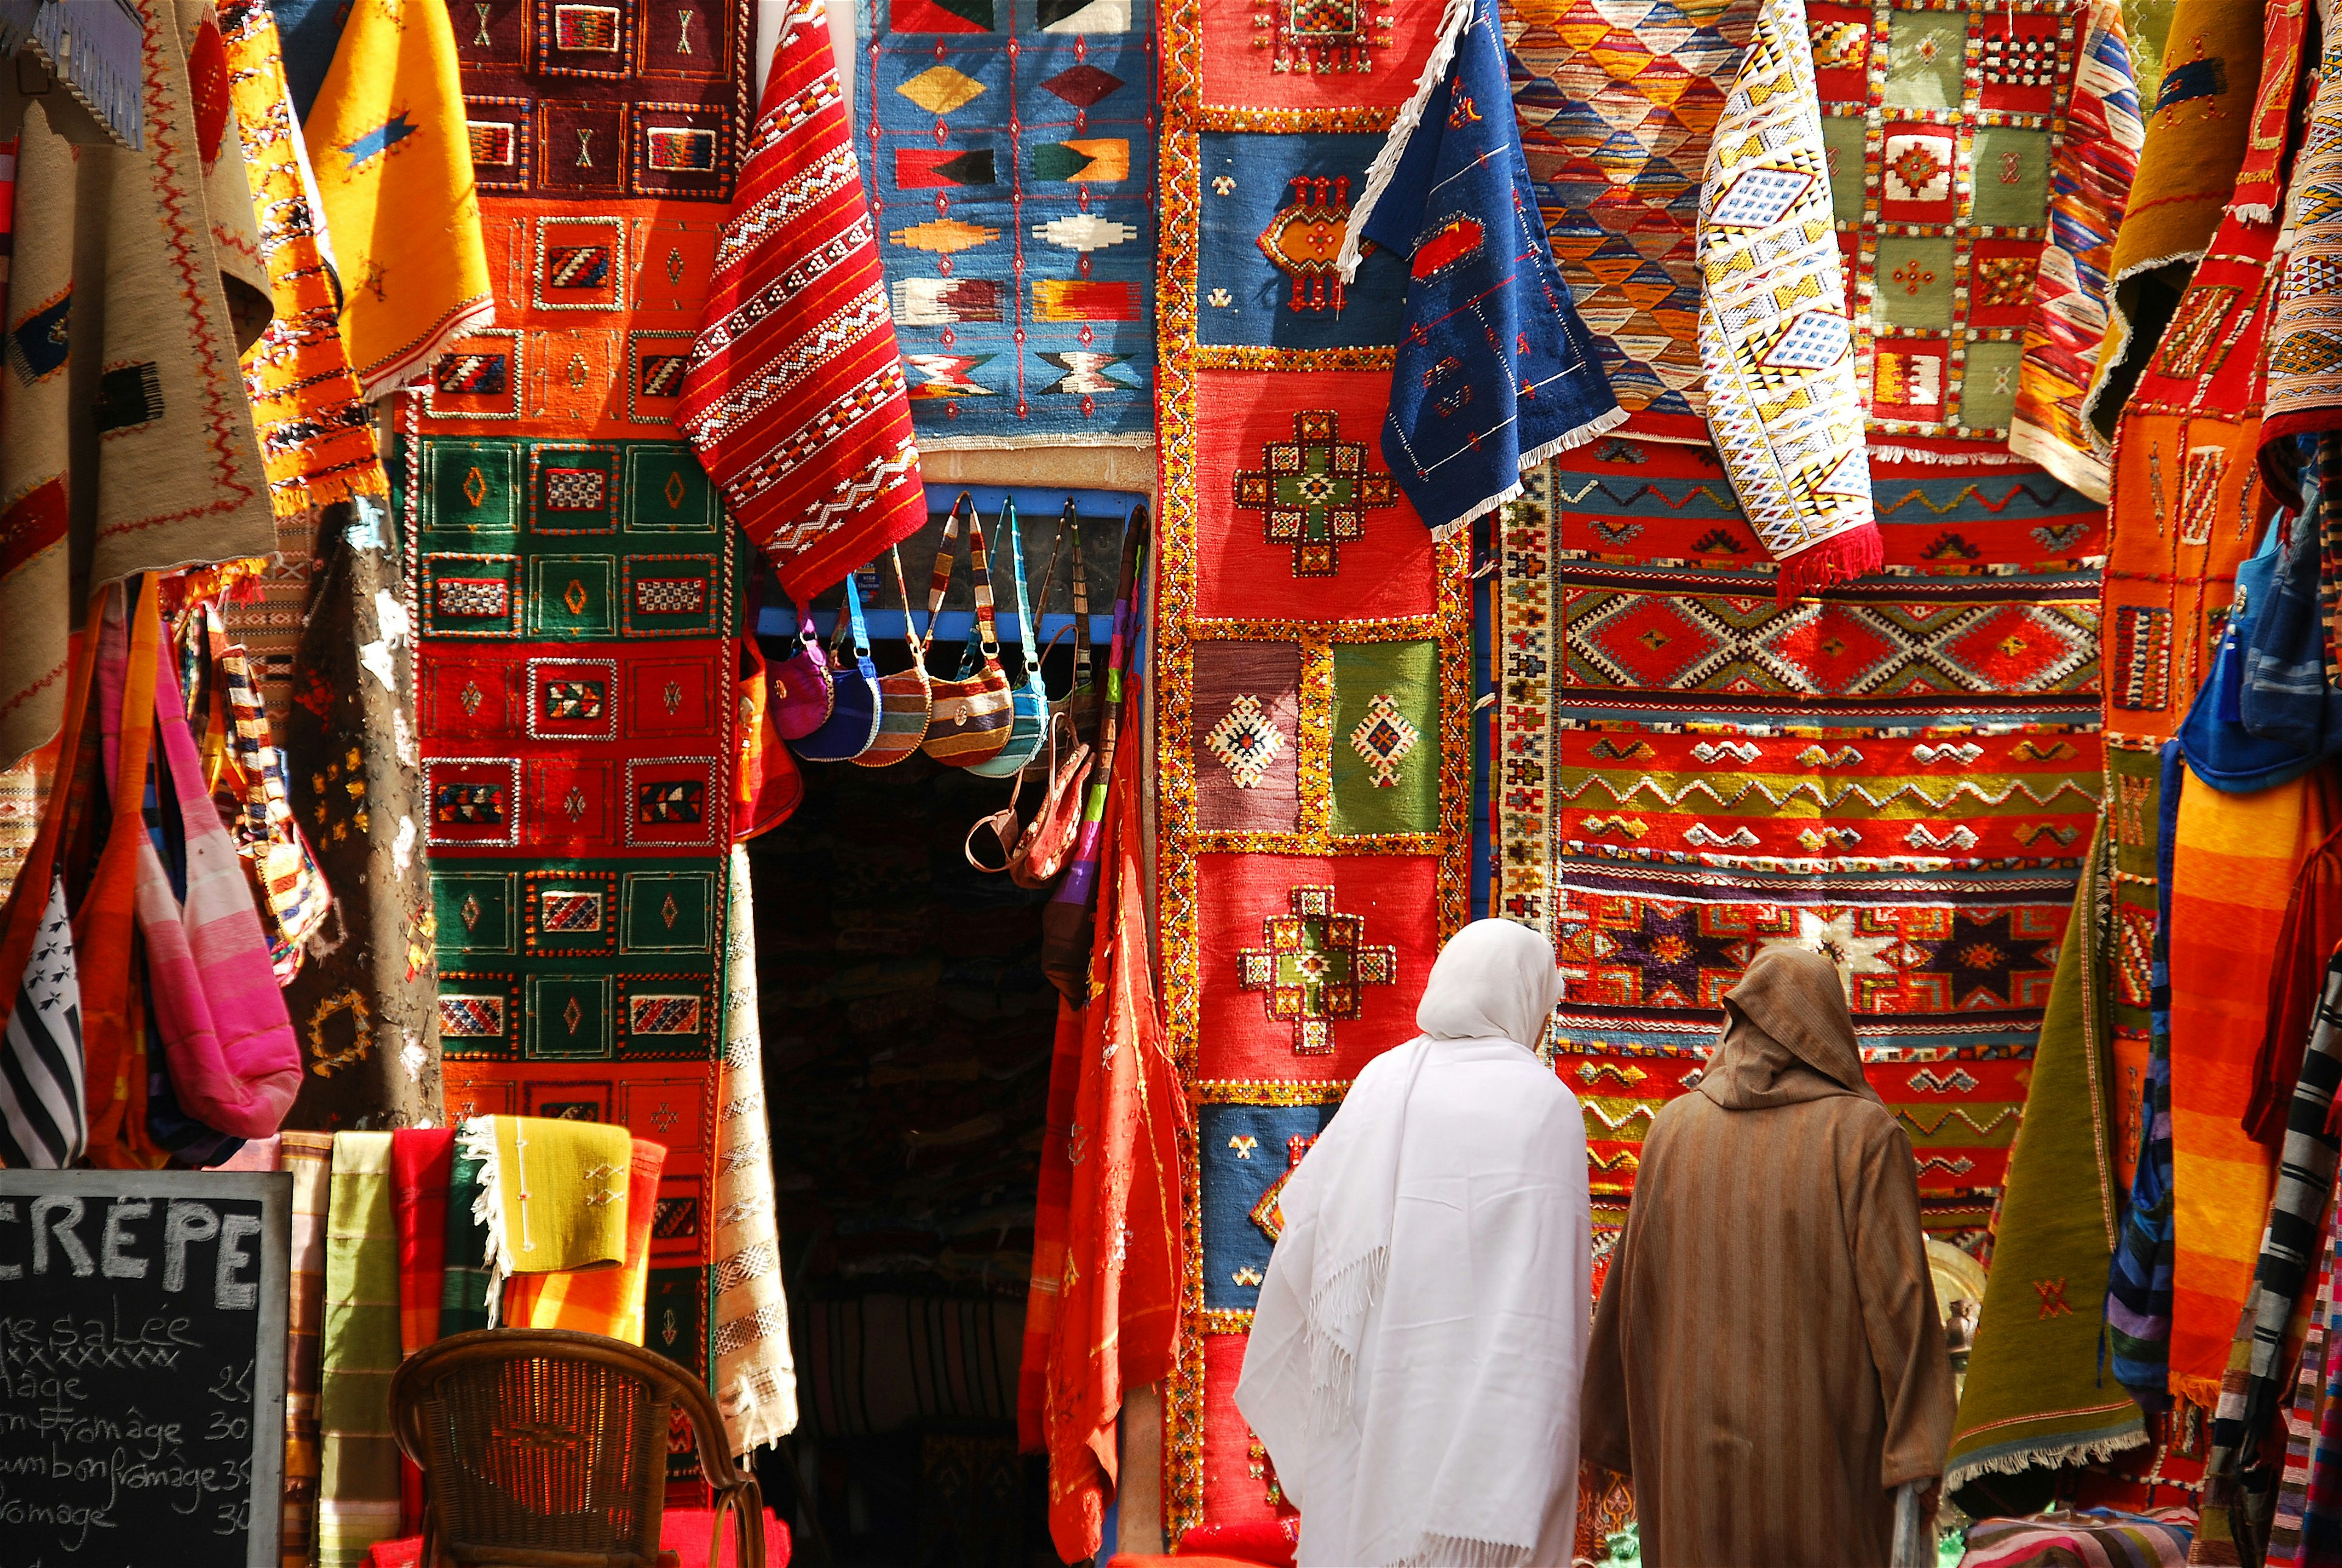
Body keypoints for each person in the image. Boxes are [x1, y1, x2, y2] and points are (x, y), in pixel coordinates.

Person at [1580, 944, 1956, 1567]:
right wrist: (1922, 1447)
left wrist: (1615, 1428)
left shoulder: (1672, 1130)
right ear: (1831, 1029)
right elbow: (1902, 1307)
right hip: (1820, 1466)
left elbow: (1631, 1300)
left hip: (1690, 1469)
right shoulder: (1863, 1137)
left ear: (1738, 1024)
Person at [1235, 918, 1590, 1568]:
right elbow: (1553, 1305)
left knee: (1368, 1524)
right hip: (1498, 1401)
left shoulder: (1382, 1082)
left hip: (1381, 1384)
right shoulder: (1547, 1105)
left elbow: (1307, 1245)